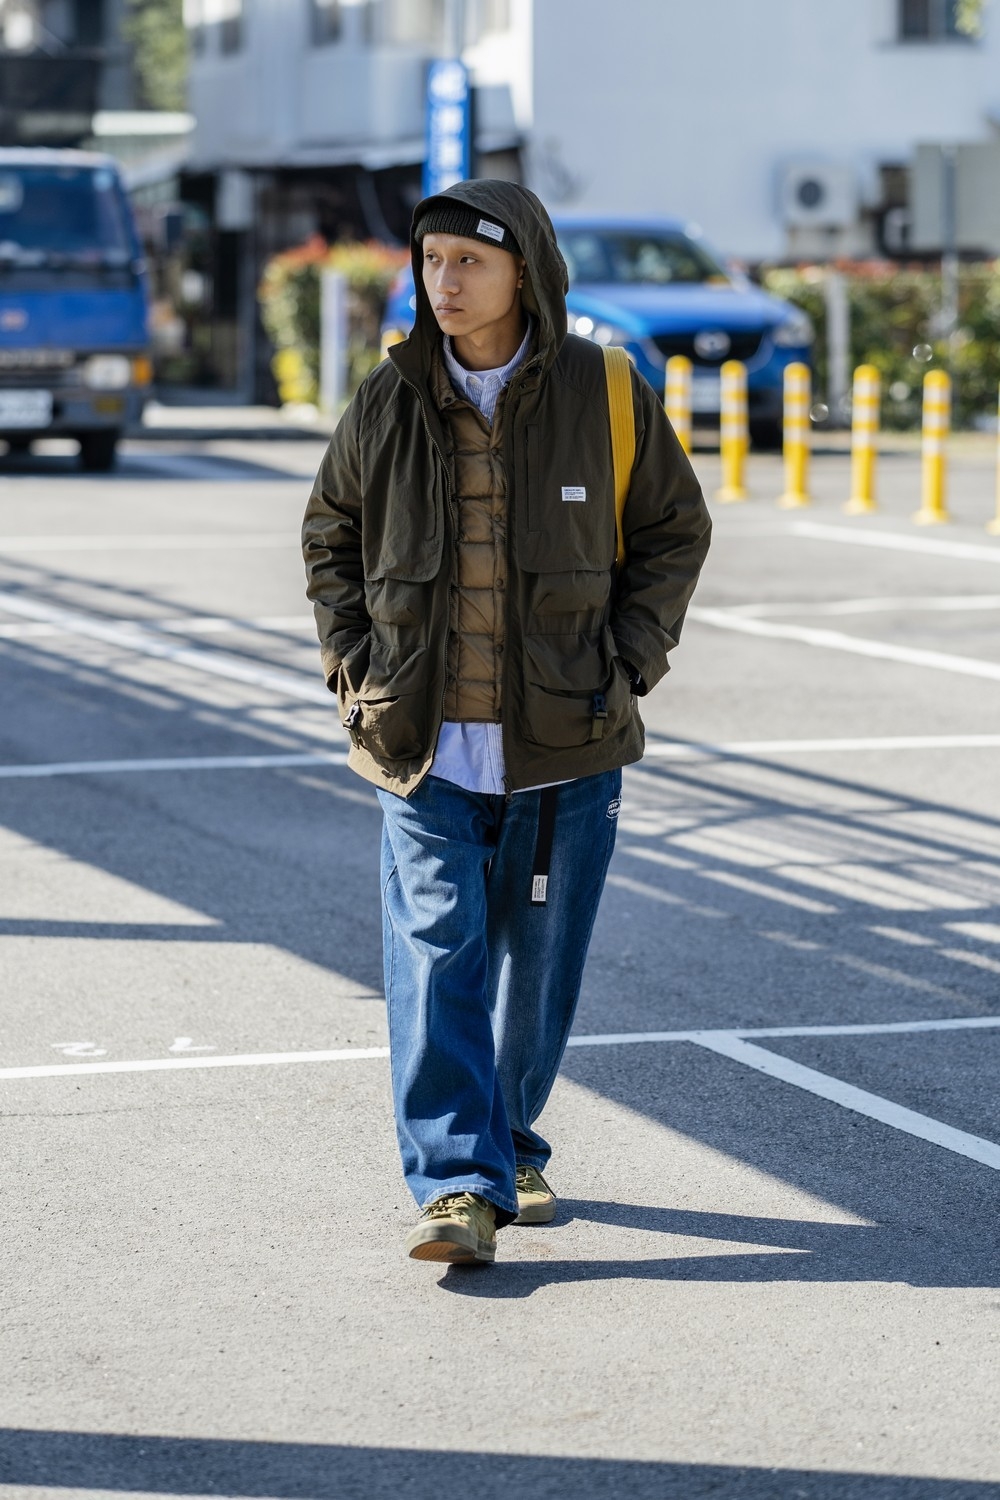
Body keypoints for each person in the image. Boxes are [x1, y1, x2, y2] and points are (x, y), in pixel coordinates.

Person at [302, 180, 711, 1266]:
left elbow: (674, 529)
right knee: (440, 956)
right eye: (431, 261)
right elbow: (330, 534)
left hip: (567, 742)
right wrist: (353, 669)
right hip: (422, 745)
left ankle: (511, 1141)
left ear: (523, 270)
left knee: (539, 973)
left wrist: (629, 662)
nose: (443, 282)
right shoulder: (390, 395)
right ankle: (455, 1185)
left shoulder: (604, 389)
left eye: (468, 262)